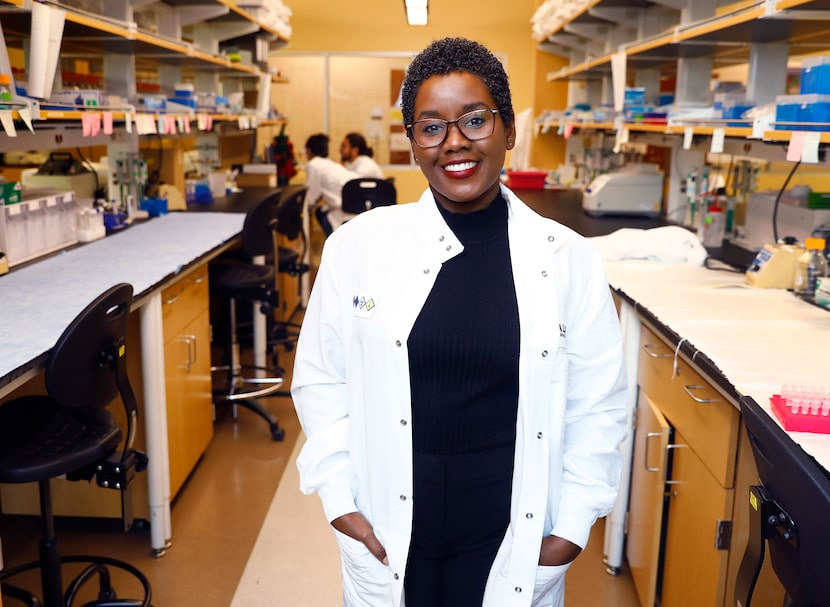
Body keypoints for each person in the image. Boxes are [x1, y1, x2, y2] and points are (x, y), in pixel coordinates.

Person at [291, 37, 628, 607]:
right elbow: (320, 380)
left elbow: (600, 405)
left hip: (513, 523)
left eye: (475, 120)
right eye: (431, 127)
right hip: (387, 520)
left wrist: (569, 531)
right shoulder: (357, 248)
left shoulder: (567, 259)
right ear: (413, 143)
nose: (454, 143)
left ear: (509, 129)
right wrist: (340, 503)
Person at [304, 133, 360, 235]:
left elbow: (310, 198)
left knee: (323, 215)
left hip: (344, 212)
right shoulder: (330, 164)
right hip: (358, 207)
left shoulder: (313, 165)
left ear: (309, 150)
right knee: (322, 212)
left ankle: (334, 245)